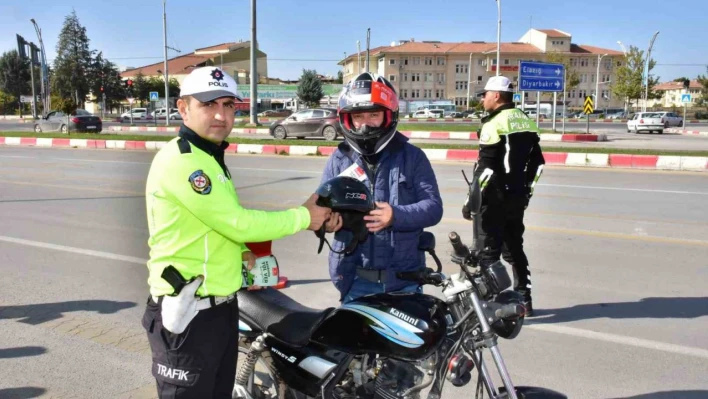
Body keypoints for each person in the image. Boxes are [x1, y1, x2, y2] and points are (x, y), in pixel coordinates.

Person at [141, 66, 331, 398]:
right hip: (188, 315)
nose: (220, 114)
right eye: (208, 104)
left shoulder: (209, 158)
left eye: (228, 105)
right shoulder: (185, 161)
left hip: (220, 310)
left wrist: (243, 254)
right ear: (183, 108)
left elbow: (212, 229)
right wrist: (304, 217)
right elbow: (236, 221)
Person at [320, 72, 443, 303]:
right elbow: (321, 209)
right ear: (347, 119)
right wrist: (327, 222)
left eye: (374, 114)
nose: (365, 124)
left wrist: (396, 215)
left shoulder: (413, 157)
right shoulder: (339, 159)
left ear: (388, 116)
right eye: (358, 116)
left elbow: (434, 207)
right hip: (355, 280)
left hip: (404, 282)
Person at [463, 75, 545, 316]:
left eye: (485, 94)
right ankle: (525, 299)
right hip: (517, 199)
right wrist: (526, 191)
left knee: (488, 253)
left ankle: (493, 305)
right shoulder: (526, 120)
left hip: (494, 199)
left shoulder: (493, 124)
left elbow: (486, 170)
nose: (482, 99)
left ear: (496, 96)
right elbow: (538, 164)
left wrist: (471, 201)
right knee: (515, 249)